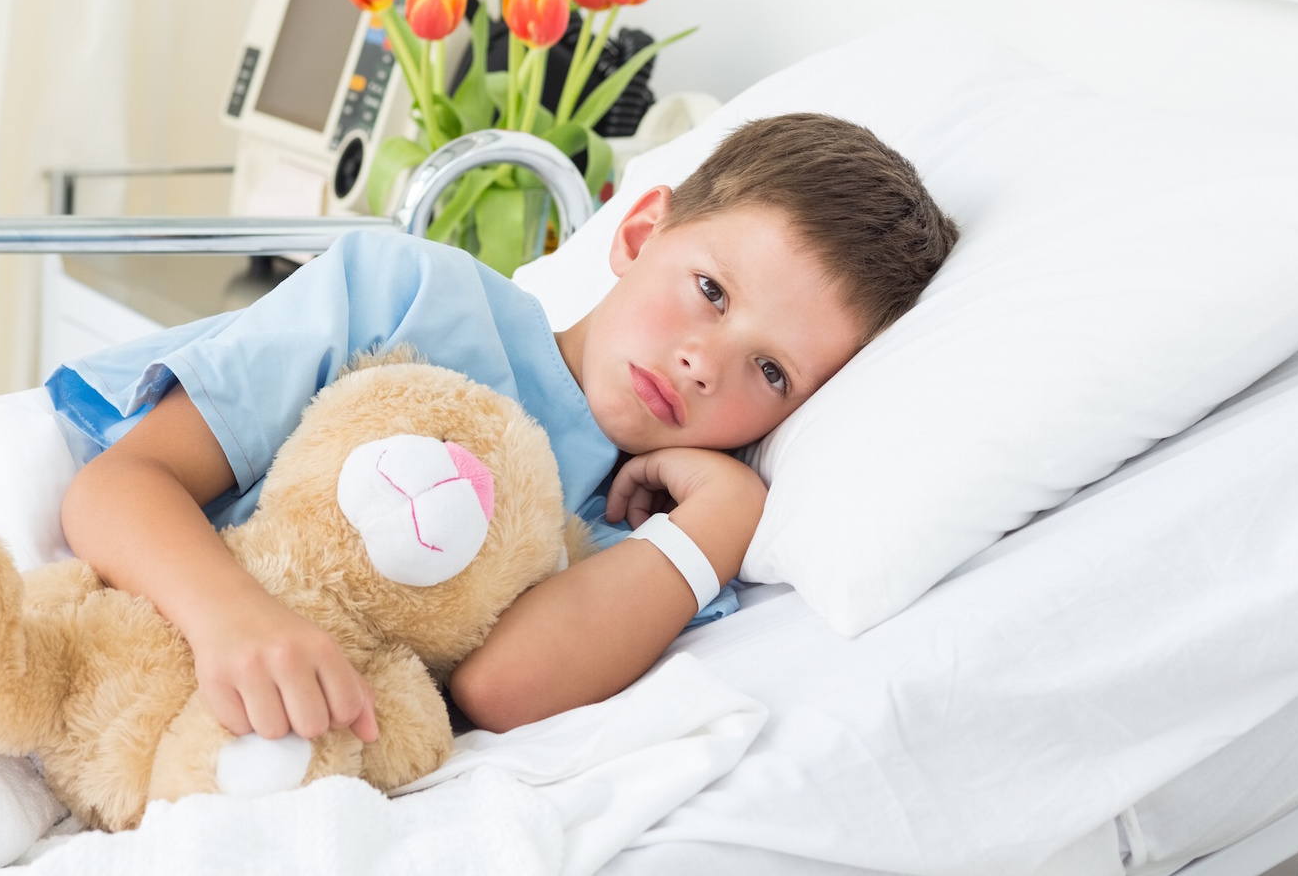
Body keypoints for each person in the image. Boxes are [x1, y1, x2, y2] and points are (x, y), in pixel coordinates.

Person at [53, 112, 959, 748]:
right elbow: (117, 488)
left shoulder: (646, 534)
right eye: (711, 292)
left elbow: (500, 688)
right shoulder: (413, 296)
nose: (702, 362)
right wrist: (236, 621)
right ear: (643, 229)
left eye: (771, 371)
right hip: (137, 653)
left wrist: (725, 511)